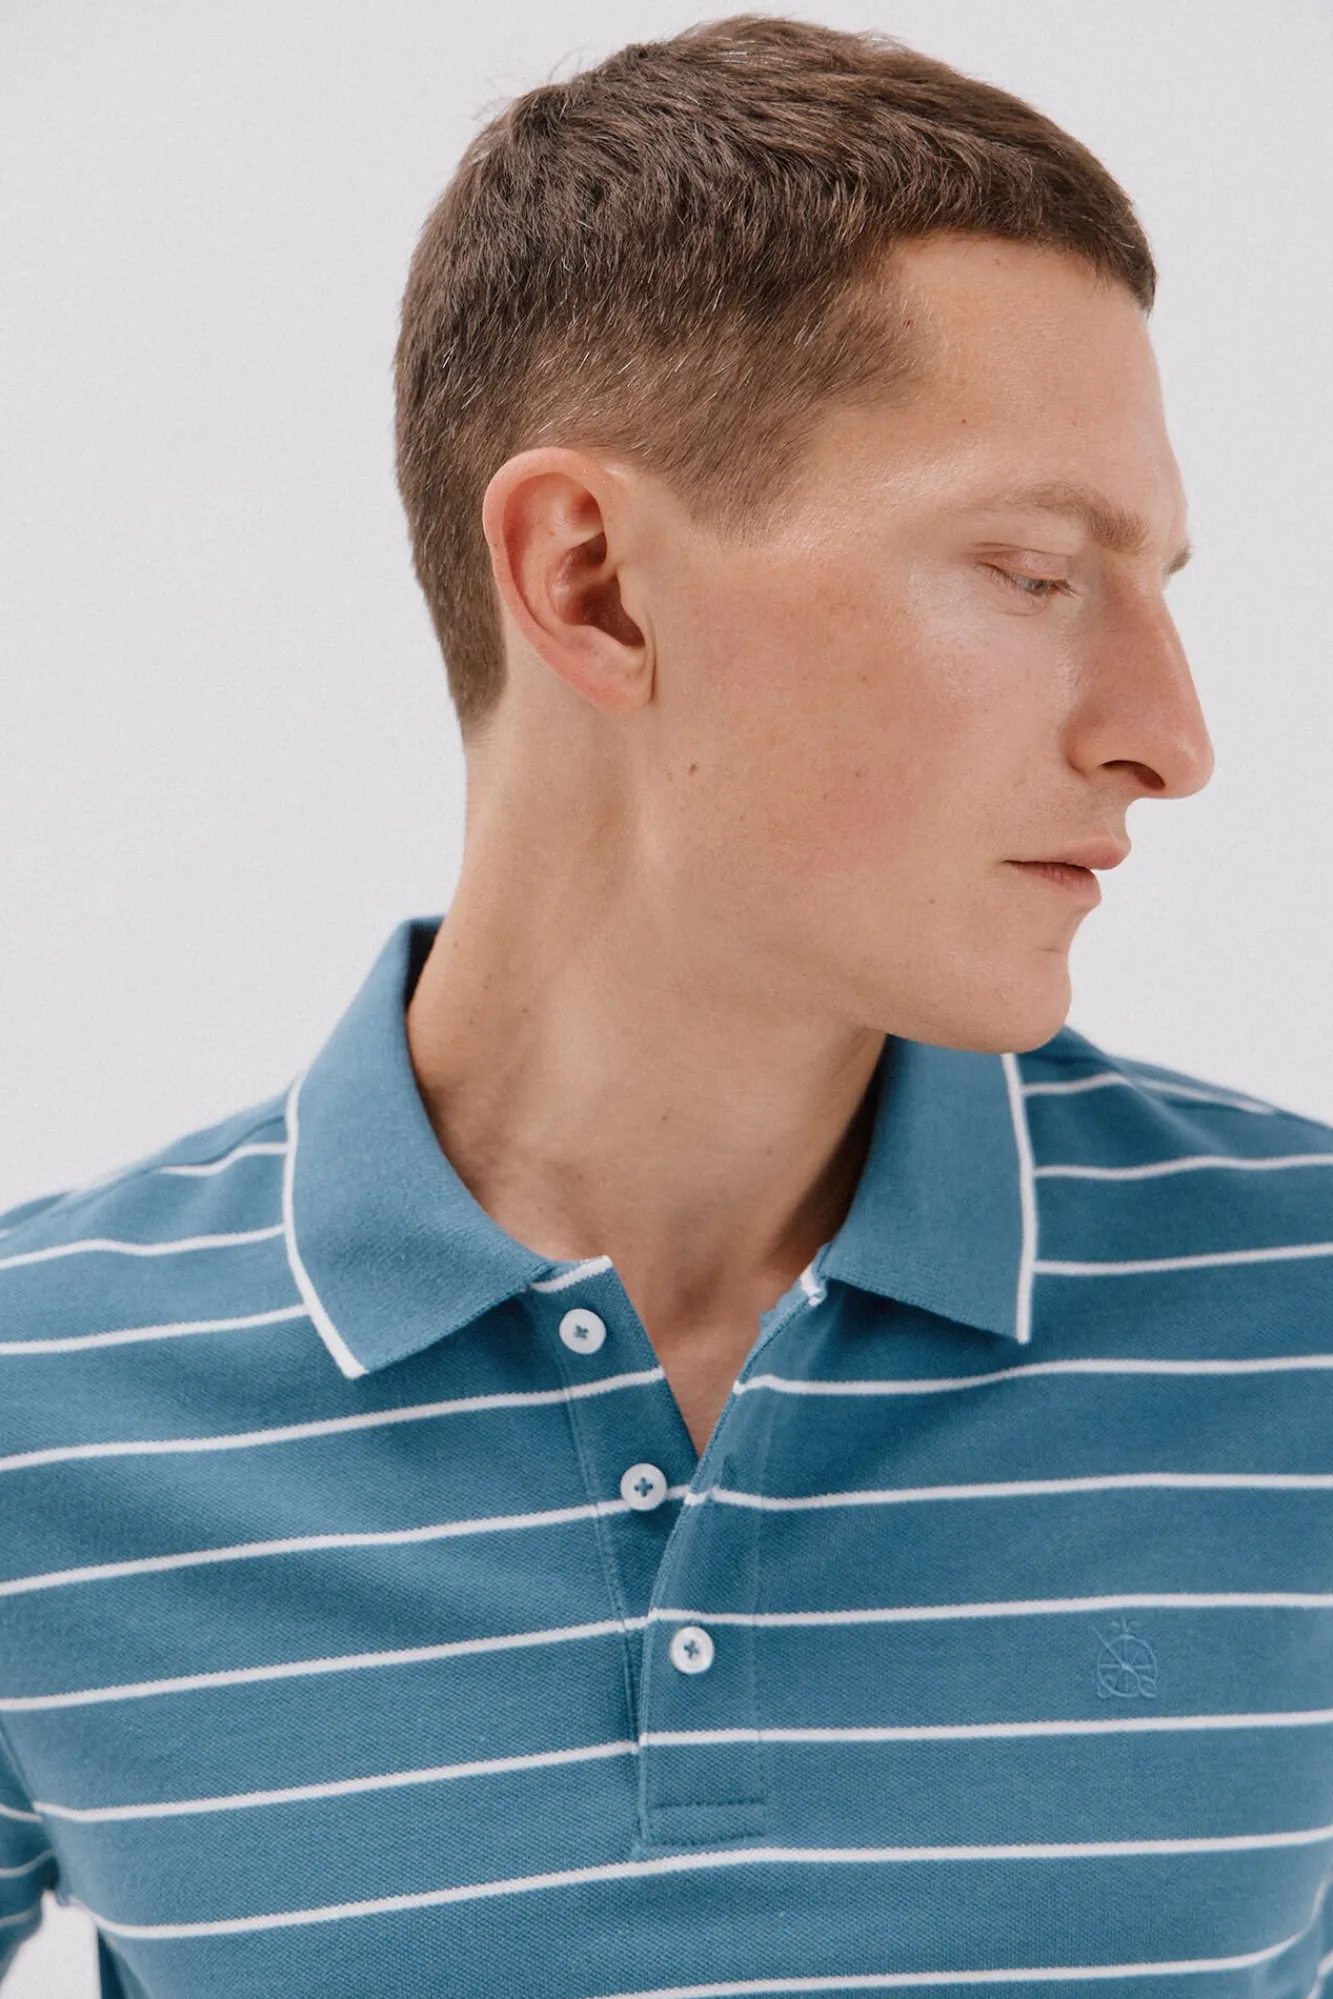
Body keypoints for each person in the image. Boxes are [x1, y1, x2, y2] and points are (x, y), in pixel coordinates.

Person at [4, 13, 1332, 1996]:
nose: (1173, 736)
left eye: (1161, 586)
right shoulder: (37, 1407)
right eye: (1033, 570)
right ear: (595, 583)